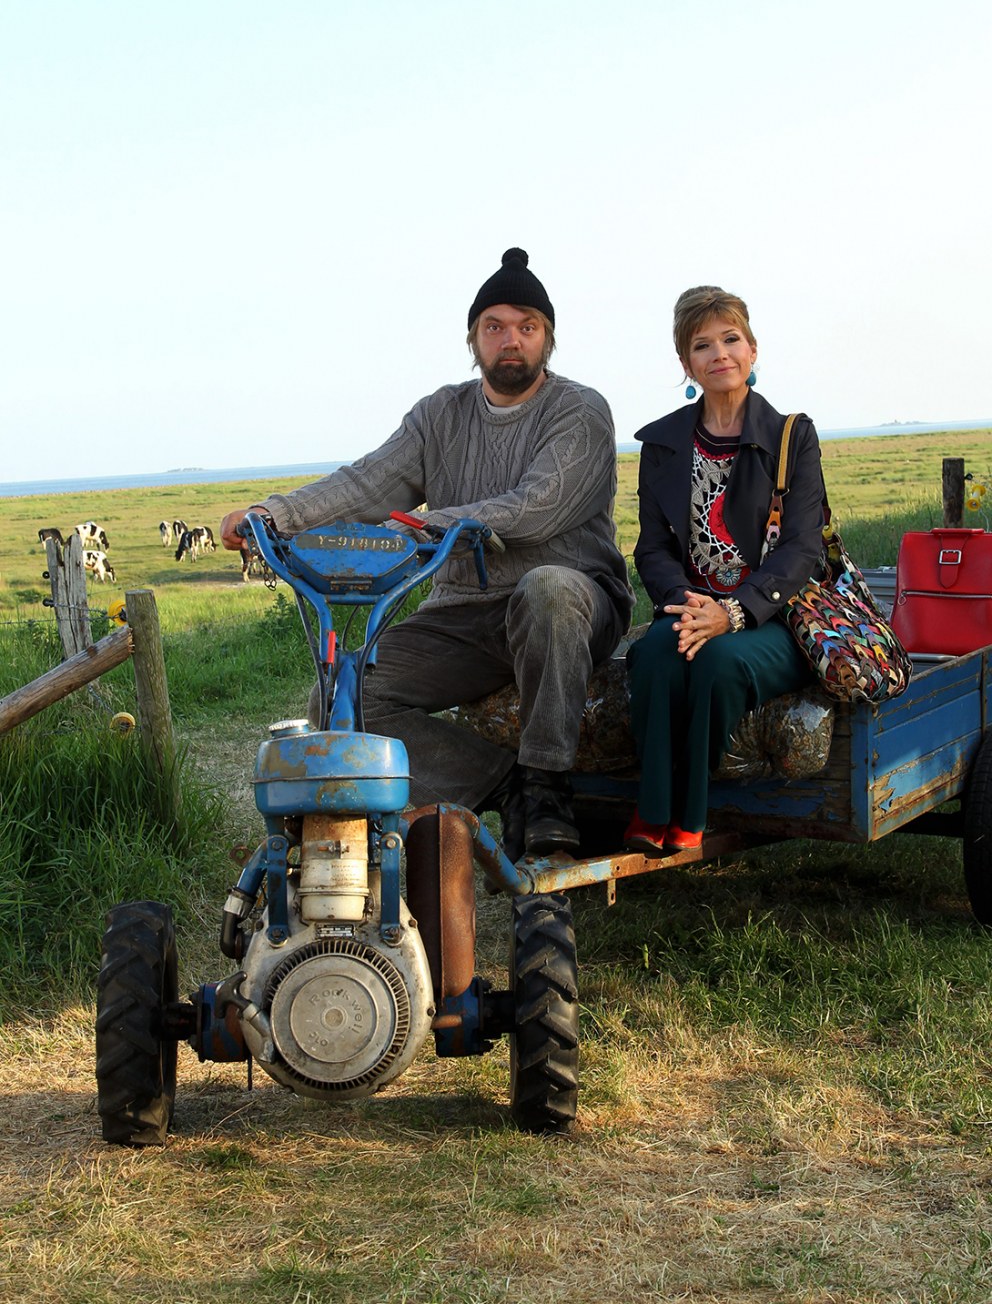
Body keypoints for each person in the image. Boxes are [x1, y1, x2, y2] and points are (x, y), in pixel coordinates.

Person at [221, 247, 633, 860]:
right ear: (472, 339)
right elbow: (367, 483)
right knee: (341, 698)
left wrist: (428, 525)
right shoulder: (440, 414)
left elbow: (538, 506)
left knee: (547, 587)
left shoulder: (580, 410)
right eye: (494, 327)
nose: (511, 340)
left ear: (548, 339)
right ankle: (505, 784)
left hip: (571, 604)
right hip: (463, 611)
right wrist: (273, 515)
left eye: (528, 327)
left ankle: (548, 785)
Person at [624, 284, 825, 853]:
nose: (719, 354)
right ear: (686, 363)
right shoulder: (662, 444)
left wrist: (733, 612)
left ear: (752, 350)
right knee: (655, 656)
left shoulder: (791, 437)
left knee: (717, 663)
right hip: (690, 607)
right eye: (702, 345)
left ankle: (689, 814)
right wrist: (689, 605)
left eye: (730, 339)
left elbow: (800, 548)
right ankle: (652, 809)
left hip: (772, 617)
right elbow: (652, 548)